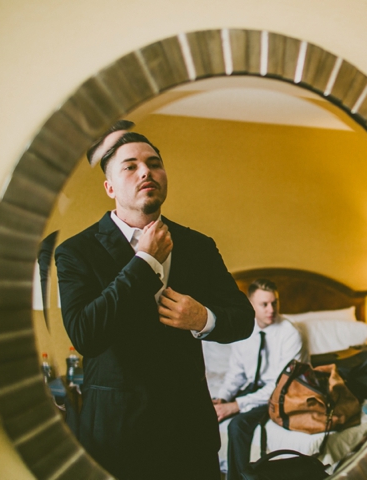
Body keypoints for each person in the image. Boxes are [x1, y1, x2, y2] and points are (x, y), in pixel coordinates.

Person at [54, 130, 255, 479]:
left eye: (154, 164)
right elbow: (86, 333)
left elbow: (244, 319)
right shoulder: (76, 252)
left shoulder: (198, 246)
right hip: (117, 435)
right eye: (130, 167)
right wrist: (144, 262)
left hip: (189, 433)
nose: (146, 172)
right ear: (110, 188)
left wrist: (203, 319)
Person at [213, 279, 304, 480]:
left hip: (281, 393)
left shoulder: (289, 333)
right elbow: (236, 373)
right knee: (206, 414)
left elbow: (281, 384)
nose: (271, 309)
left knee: (237, 426)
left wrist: (236, 406)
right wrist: (223, 397)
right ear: (251, 304)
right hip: (253, 387)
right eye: (264, 304)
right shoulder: (245, 330)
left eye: (274, 303)